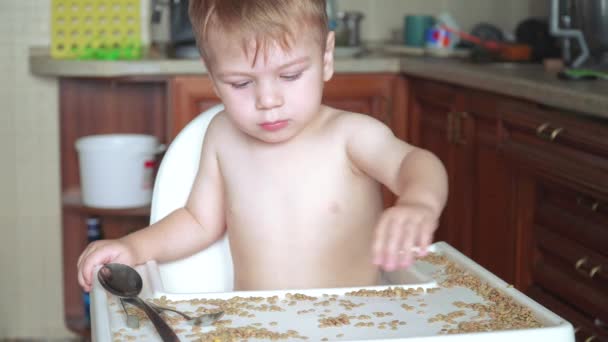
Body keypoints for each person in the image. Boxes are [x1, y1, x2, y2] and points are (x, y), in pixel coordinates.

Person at [77, 0, 448, 293]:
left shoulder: (350, 136)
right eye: (241, 83)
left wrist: (420, 202)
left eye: (289, 75)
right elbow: (198, 221)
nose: (267, 100)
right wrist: (134, 248)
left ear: (326, 57)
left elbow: (414, 163)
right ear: (213, 78)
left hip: (353, 324)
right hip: (254, 327)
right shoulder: (222, 137)